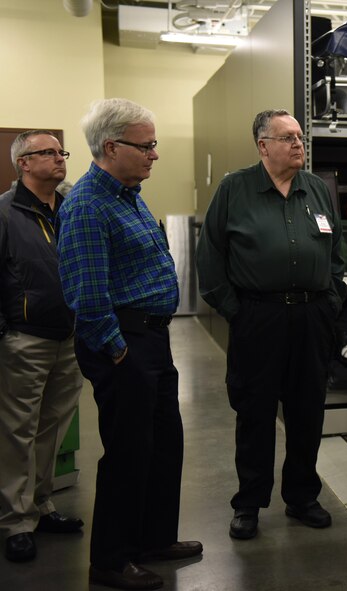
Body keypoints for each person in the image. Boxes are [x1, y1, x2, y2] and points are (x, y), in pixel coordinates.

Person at [57, 98, 202, 590]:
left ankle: (153, 538)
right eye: (147, 146)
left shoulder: (127, 193)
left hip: (152, 339)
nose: (154, 154)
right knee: (127, 452)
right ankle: (111, 560)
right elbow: (88, 299)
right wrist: (120, 352)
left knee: (163, 445)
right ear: (111, 146)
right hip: (123, 342)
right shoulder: (86, 205)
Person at [196, 109, 347, 541]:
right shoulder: (235, 189)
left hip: (312, 315)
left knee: (307, 411)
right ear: (263, 146)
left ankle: (302, 497)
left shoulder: (316, 189)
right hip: (257, 316)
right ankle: (249, 502)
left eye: (300, 136)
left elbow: (337, 251)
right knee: (255, 412)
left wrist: (331, 301)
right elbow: (210, 255)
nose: (299, 144)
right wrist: (236, 311)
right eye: (287, 138)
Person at [0, 131, 84, 563]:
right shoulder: (5, 213)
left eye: (60, 152)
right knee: (17, 432)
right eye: (47, 153)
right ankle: (15, 521)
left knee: (51, 429)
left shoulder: (70, 209)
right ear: (24, 163)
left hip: (69, 339)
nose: (59, 158)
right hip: (25, 341)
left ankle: (42, 505)